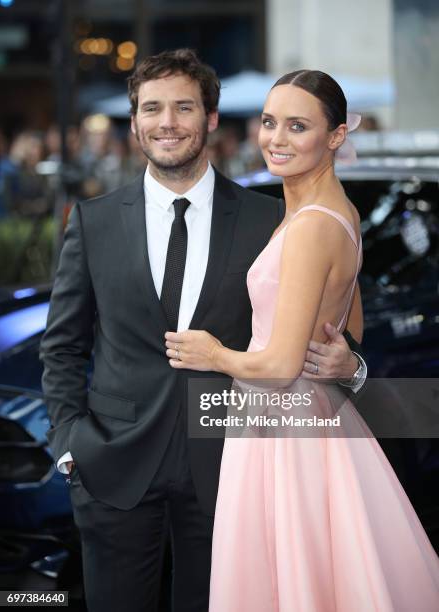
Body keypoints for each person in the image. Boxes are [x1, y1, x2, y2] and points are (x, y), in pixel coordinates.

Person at [40, 52, 366, 612]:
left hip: (233, 469)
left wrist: (353, 366)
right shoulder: (92, 221)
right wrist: (71, 445)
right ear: (135, 120)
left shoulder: (273, 220)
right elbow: (62, 345)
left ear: (211, 119)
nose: (167, 122)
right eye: (152, 108)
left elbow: (341, 326)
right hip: (113, 470)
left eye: (183, 107)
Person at [165, 70, 439, 611]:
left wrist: (212, 353)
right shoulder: (339, 213)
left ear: (336, 136)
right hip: (307, 416)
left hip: (284, 425)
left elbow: (282, 362)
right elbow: (350, 330)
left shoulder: (312, 226)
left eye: (297, 126)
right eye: (269, 123)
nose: (276, 139)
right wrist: (344, 360)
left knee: (293, 576)